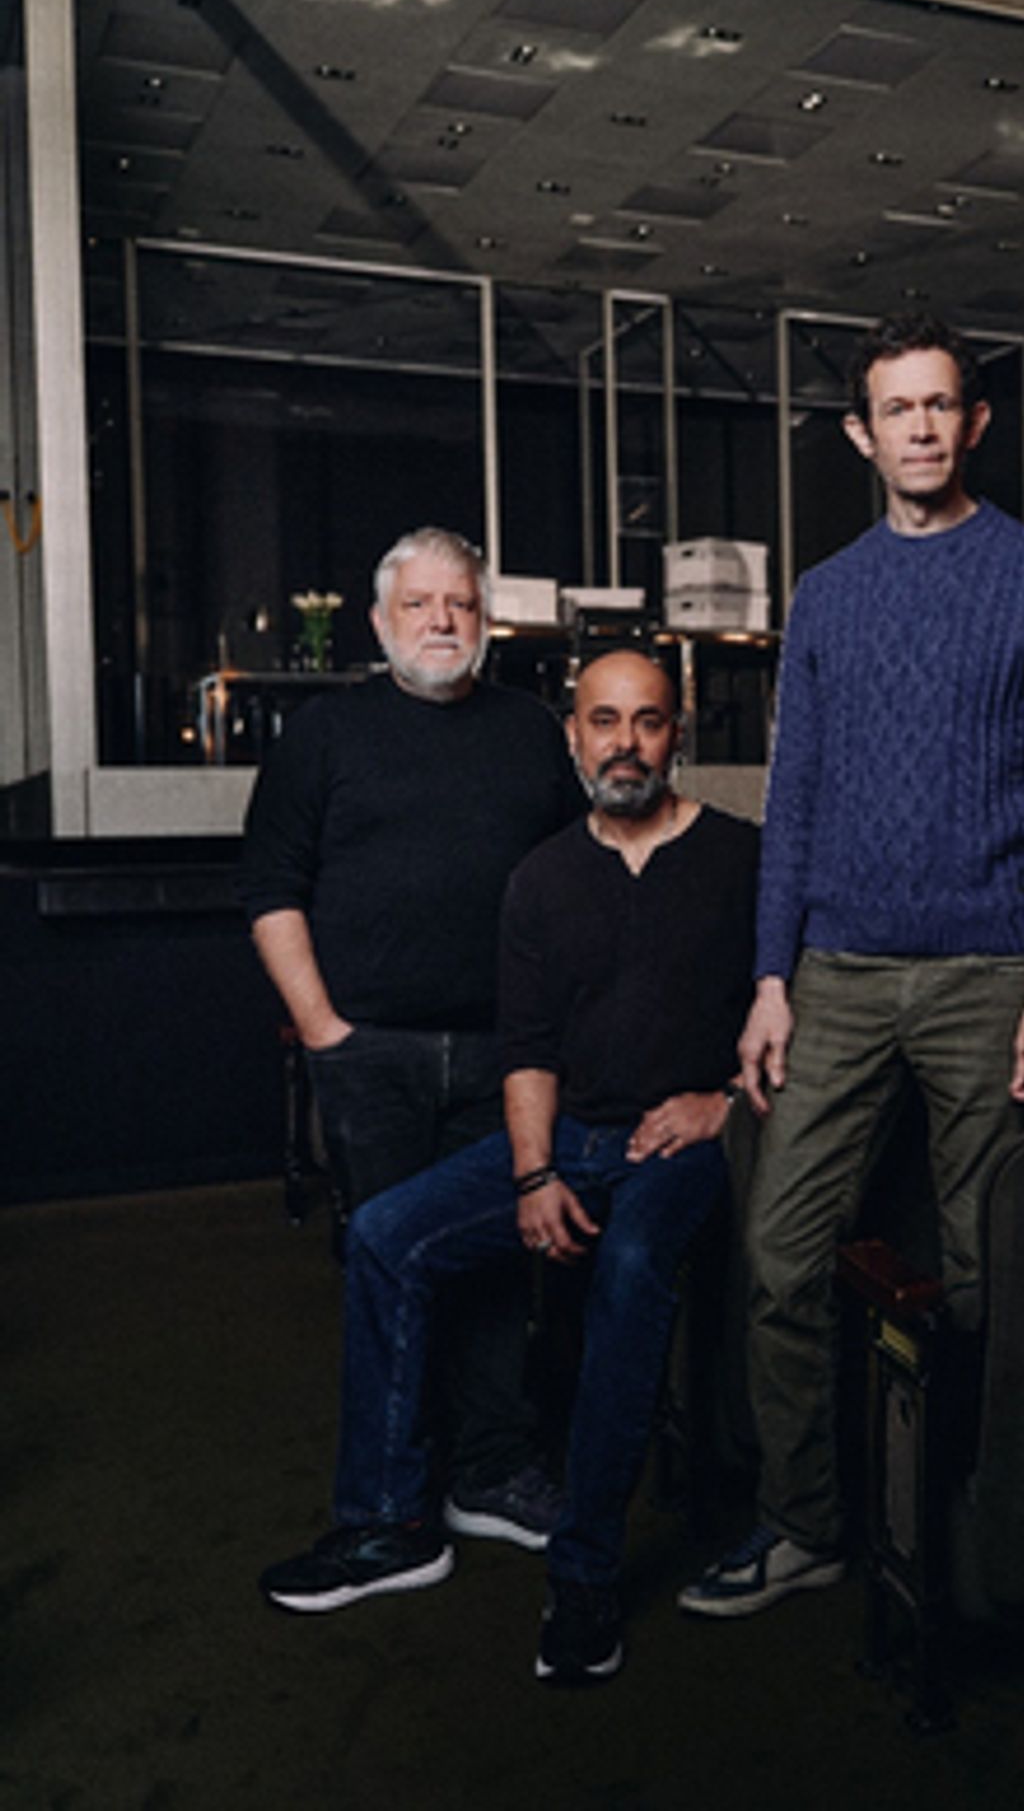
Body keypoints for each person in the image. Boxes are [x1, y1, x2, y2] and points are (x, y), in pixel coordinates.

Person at [679, 312, 1024, 1620]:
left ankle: (978, 1522)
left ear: (972, 421)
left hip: (990, 967)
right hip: (839, 969)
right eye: (895, 410)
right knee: (781, 1250)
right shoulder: (830, 593)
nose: (920, 427)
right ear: (862, 435)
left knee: (985, 1267)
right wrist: (770, 976)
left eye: (940, 405)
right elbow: (791, 797)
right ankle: (806, 1519)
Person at [259, 650, 759, 1686]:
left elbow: (790, 1016)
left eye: (648, 721)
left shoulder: (740, 856)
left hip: (683, 1144)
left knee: (625, 1266)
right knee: (388, 1236)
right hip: (566, 1135)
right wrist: (533, 1177)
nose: (626, 742)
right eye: (604, 722)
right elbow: (525, 1049)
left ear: (678, 734)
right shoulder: (538, 880)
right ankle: (391, 1522)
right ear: (570, 738)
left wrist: (724, 1103)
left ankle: (583, 1576)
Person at [238, 526, 584, 1551]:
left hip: (504, 1055)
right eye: (421, 605)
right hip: (371, 1054)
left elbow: (577, 879)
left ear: (484, 622)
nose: (443, 621)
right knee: (387, 1267)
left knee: (488, 1265)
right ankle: (394, 1500)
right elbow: (269, 891)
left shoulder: (529, 731)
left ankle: (488, 1471)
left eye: (461, 606)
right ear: (382, 621)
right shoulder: (323, 735)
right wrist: (326, 1034)